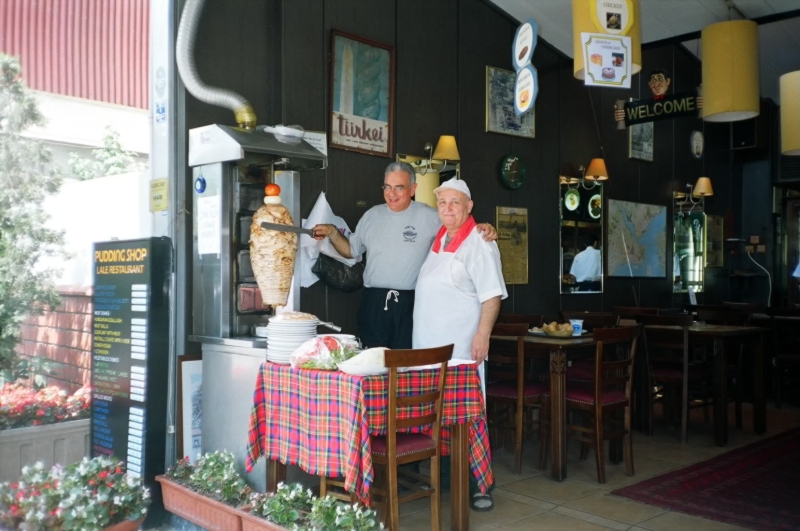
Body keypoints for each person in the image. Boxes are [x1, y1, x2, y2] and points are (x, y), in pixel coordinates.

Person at [312, 162, 496, 350]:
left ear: (413, 189)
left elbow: (457, 222)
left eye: (399, 187)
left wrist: (482, 227)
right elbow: (351, 250)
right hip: (374, 302)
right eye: (388, 187)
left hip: (411, 303)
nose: (392, 194)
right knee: (372, 359)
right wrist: (332, 232)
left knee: (406, 362)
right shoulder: (371, 216)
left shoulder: (430, 216)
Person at [412, 176, 507, 512]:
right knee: (443, 420)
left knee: (468, 420)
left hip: (461, 354)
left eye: (455, 203)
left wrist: (483, 334)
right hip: (429, 353)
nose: (447, 209)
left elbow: (492, 294)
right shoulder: (440, 236)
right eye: (442, 203)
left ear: (469, 207)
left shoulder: (479, 242)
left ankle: (481, 486)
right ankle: (451, 483)